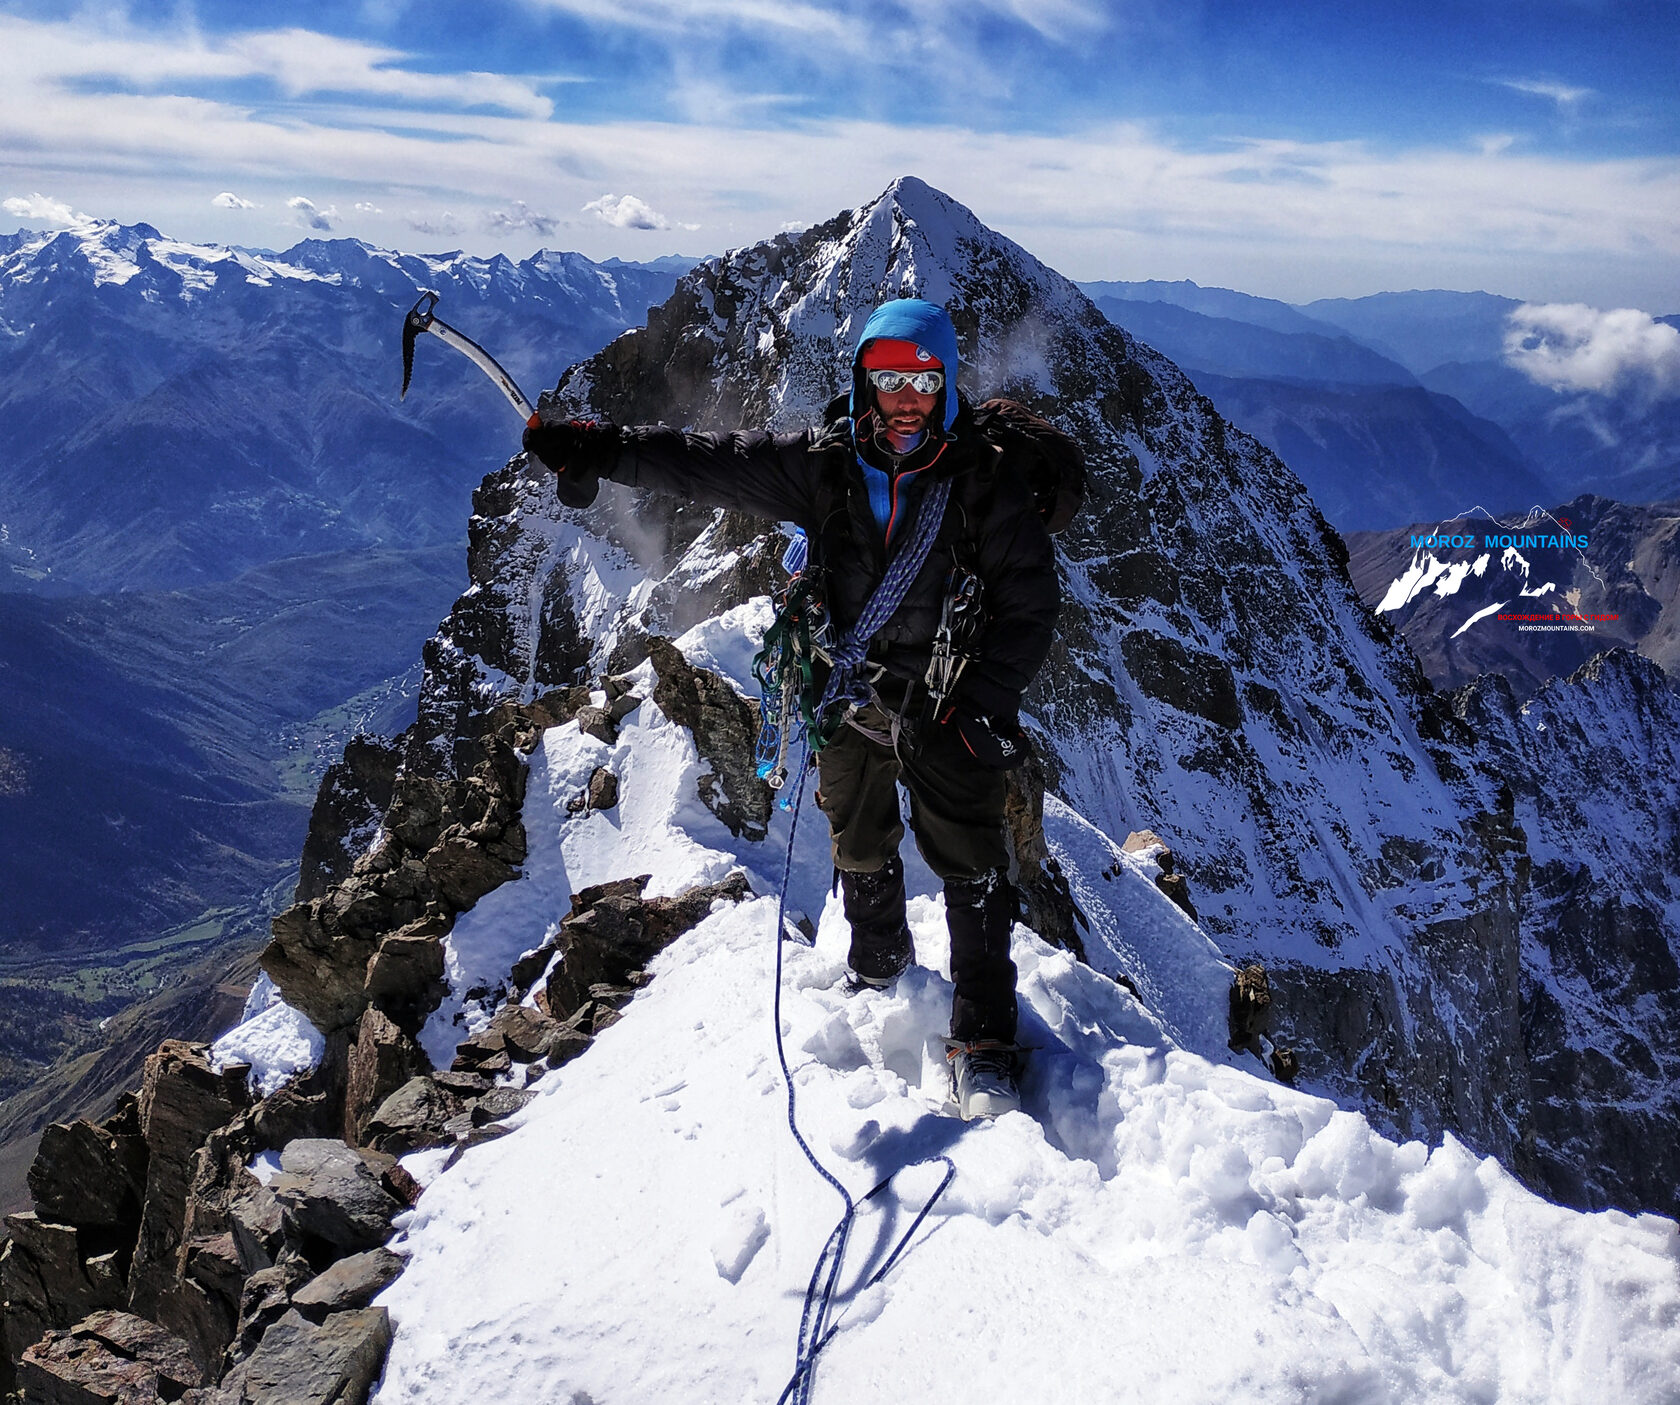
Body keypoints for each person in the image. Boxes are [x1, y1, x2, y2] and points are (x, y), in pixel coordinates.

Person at [522, 298, 1061, 1119]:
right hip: (850, 688)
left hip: (950, 702)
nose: (906, 398)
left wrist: (982, 704)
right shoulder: (827, 465)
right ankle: (879, 963)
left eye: (922, 379)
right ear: (865, 383)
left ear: (947, 382)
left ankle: (983, 1038)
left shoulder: (983, 485)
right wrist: (604, 448)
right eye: (889, 380)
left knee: (971, 859)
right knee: (857, 827)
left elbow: (1030, 604)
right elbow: (710, 460)